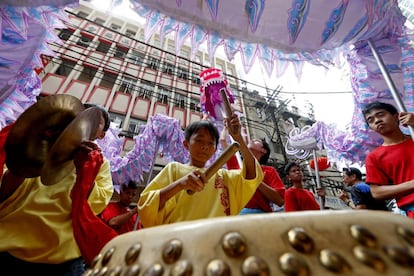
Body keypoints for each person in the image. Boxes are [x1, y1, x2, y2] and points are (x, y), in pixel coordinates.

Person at [0, 96, 114, 275]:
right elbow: (5, 191)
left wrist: (84, 171)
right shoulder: (39, 144)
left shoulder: (100, 164)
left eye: (96, 121)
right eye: (83, 114)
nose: (87, 121)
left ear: (102, 134)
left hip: (61, 258)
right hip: (9, 245)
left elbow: (97, 203)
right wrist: (26, 151)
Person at [137, 114, 263, 227]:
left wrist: (238, 138)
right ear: (186, 144)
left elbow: (251, 176)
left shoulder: (223, 176)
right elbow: (147, 205)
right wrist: (180, 185)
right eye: (199, 140)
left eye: (210, 143)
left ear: (214, 149)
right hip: (179, 243)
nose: (205, 146)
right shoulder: (174, 169)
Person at [362, 101, 414, 218]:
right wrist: (412, 184)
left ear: (396, 117)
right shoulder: (374, 157)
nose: (377, 120)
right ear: (371, 127)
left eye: (380, 114)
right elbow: (376, 192)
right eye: (371, 120)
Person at [220, 130, 285, 214]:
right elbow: (223, 140)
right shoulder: (239, 167)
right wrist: (226, 128)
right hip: (237, 213)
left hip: (261, 215)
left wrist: (255, 179)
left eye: (257, 141)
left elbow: (280, 200)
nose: (252, 140)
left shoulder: (269, 171)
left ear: (263, 151)